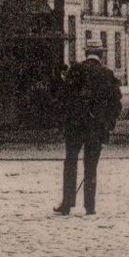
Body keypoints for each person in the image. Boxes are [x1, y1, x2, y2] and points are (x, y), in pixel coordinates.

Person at [53, 45, 122, 218]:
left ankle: (67, 204)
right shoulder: (107, 74)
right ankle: (90, 206)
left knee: (70, 163)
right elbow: (116, 105)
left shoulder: (75, 71)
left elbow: (62, 98)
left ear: (86, 54)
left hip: (74, 126)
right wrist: (108, 125)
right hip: (96, 128)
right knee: (91, 166)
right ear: (101, 54)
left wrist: (66, 120)